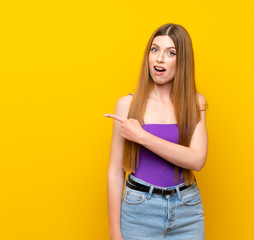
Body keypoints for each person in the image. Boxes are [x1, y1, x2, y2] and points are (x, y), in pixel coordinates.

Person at [104, 23, 208, 240]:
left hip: (187, 210)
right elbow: (115, 171)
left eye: (171, 53)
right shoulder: (127, 105)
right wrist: (115, 231)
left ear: (183, 61)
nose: (160, 58)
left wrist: (142, 136)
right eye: (155, 49)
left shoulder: (196, 103)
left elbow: (197, 160)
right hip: (139, 211)